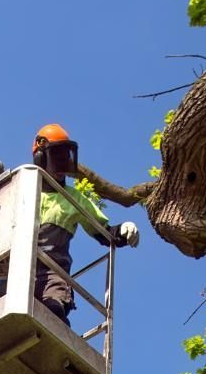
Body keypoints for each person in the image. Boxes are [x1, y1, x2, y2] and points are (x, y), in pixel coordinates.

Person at [29, 124, 139, 323]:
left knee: (53, 312)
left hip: (53, 274)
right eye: (57, 158)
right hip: (17, 272)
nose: (62, 166)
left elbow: (105, 233)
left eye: (65, 159)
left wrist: (122, 230)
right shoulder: (23, 188)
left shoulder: (74, 199)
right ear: (40, 157)